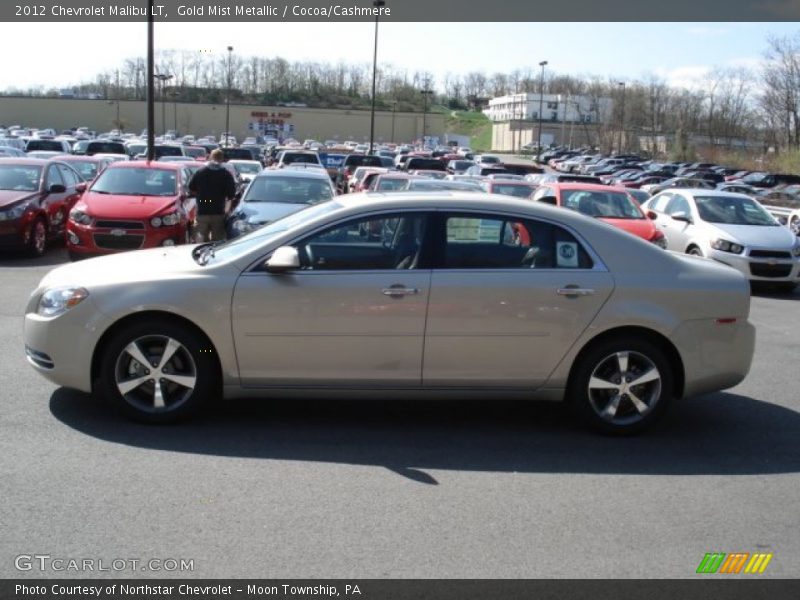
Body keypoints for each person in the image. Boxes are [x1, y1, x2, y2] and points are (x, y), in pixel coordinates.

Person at [188, 148, 236, 242]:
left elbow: (191, 188)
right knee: (218, 241)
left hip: (202, 209)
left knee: (200, 240)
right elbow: (231, 194)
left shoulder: (200, 172)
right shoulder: (225, 174)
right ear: (222, 159)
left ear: (210, 157)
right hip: (218, 210)